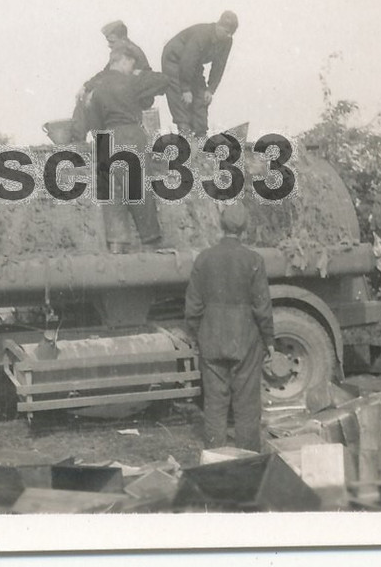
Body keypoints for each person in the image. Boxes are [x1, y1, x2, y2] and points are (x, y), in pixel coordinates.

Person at [184, 204, 275, 451]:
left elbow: (193, 305)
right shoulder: (254, 260)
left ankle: (215, 456)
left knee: (214, 403)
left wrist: (195, 334)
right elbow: (262, 306)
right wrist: (270, 341)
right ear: (244, 229)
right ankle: (248, 456)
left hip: (211, 337)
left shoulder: (204, 258)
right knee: (247, 404)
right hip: (246, 339)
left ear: (221, 226)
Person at [86, 43, 169, 253]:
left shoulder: (96, 89)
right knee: (139, 191)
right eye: (132, 64)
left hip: (105, 140)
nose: (133, 68)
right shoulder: (131, 81)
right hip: (130, 134)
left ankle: (117, 247)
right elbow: (163, 80)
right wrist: (140, 74)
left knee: (112, 197)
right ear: (123, 60)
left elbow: (94, 125)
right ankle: (151, 244)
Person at [161, 10, 238, 138]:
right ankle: (185, 132)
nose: (228, 35)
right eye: (226, 31)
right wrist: (185, 89)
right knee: (179, 95)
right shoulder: (202, 34)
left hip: (193, 62)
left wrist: (210, 89)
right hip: (174, 58)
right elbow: (188, 60)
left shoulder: (227, 41)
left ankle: (201, 134)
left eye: (231, 33)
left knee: (201, 95)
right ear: (218, 26)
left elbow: (219, 65)